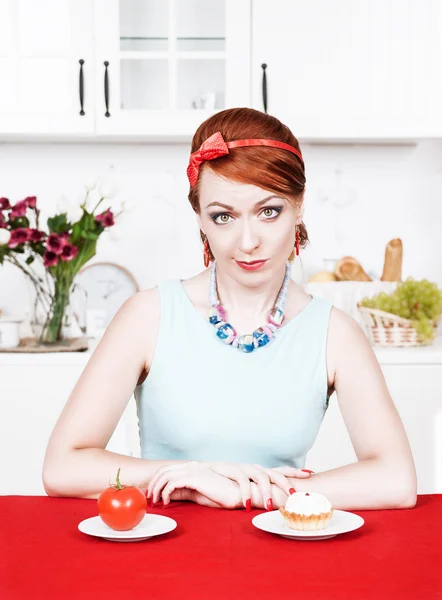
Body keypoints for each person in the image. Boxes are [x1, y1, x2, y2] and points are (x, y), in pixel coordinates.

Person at [42, 108, 417, 512]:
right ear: (200, 219)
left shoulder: (335, 333)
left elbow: (395, 479)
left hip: (284, 547)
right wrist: (191, 477)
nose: (248, 241)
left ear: (299, 205)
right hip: (162, 551)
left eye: (269, 211)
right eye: (223, 216)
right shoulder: (146, 316)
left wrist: (249, 493)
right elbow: (63, 466)